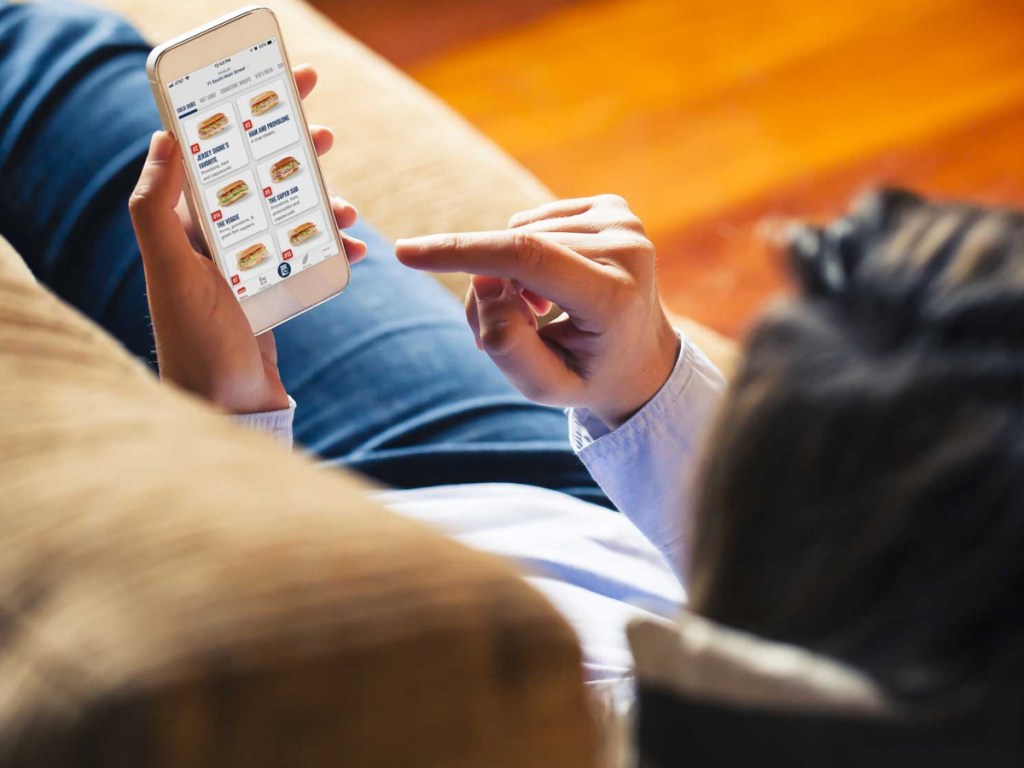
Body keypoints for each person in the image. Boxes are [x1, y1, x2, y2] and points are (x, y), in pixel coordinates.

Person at [0, 0, 722, 684]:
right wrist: (645, 387)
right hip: (580, 503)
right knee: (49, 54)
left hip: (301, 595)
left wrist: (229, 422)